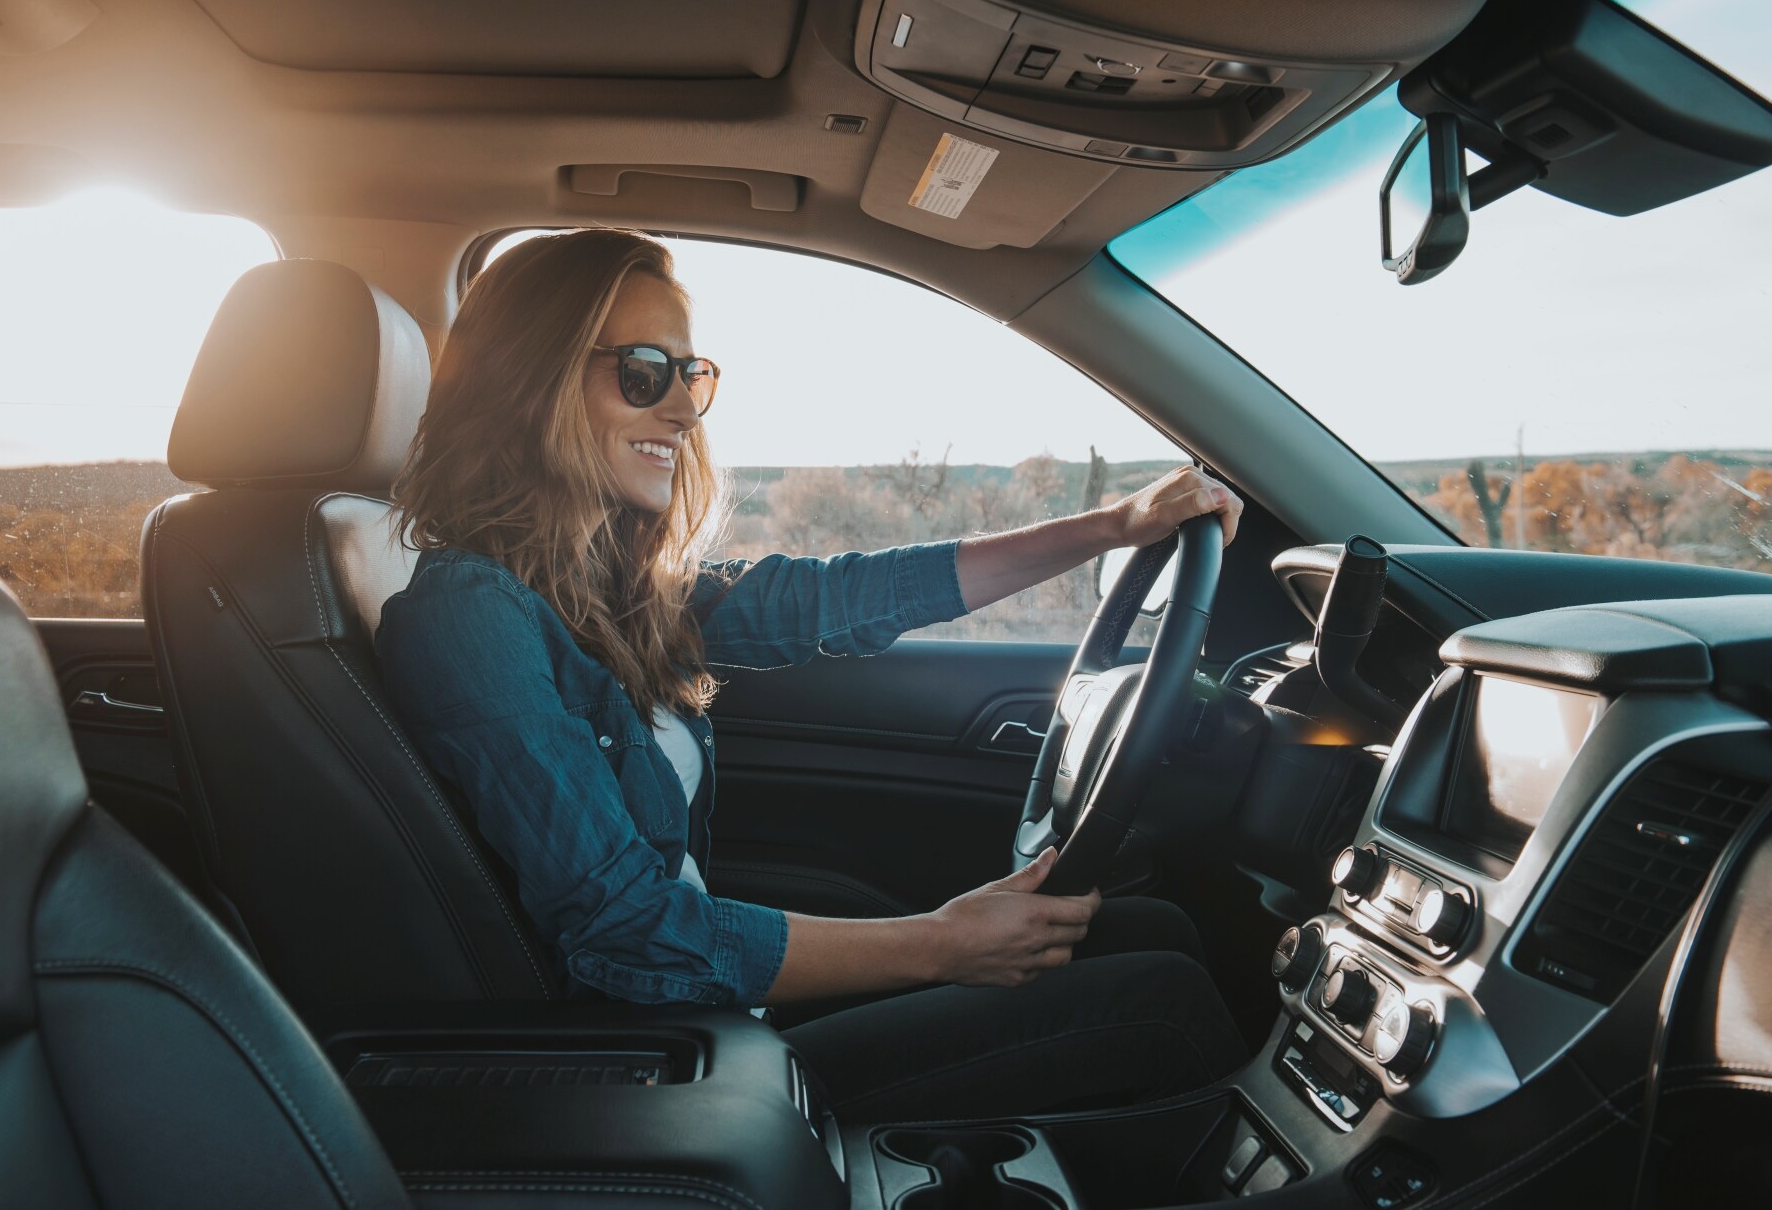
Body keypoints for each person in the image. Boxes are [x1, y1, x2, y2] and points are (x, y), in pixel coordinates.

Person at [376, 229, 1249, 1122]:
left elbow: (838, 599)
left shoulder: (607, 594)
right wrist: (943, 943)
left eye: (692, 373)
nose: (682, 408)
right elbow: (630, 932)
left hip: (716, 1016)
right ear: (533, 381)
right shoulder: (471, 616)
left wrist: (1108, 527)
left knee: (1147, 932)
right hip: (658, 1071)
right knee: (1158, 1003)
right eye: (643, 371)